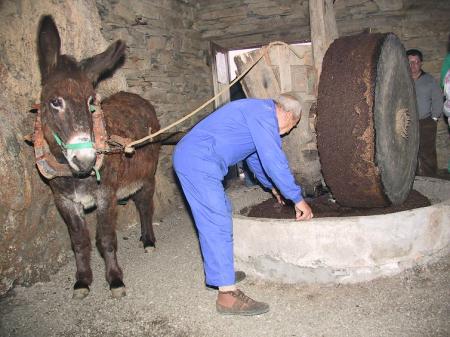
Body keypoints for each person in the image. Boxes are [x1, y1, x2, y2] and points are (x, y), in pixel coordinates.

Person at [173, 94, 313, 316]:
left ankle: (220, 273)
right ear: (287, 113)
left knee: (221, 213)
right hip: (197, 160)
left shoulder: (257, 114)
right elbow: (272, 158)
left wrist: (272, 187)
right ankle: (227, 296)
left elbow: (255, 158)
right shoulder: (264, 114)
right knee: (216, 221)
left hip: (195, 158)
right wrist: (297, 198)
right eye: (291, 126)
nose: (287, 132)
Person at [407, 49, 443, 176]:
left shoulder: (429, 80)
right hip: (406, 123)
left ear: (421, 63)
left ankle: (431, 179)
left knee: (427, 152)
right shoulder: (401, 81)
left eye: (416, 62)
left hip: (426, 122)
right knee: (409, 153)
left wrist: (434, 118)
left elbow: (438, 99)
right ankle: (413, 181)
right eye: (410, 62)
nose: (413, 65)